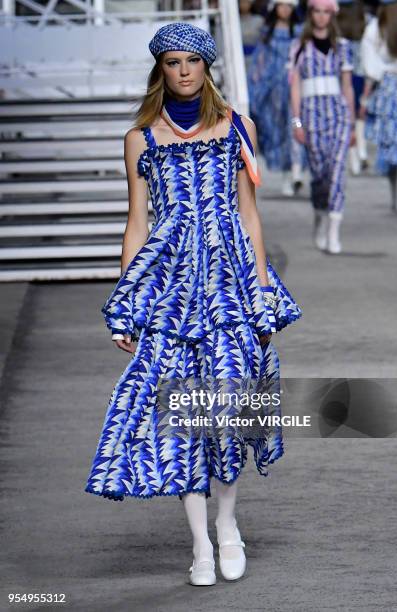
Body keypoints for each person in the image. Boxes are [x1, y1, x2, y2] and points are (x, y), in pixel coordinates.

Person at [84, 22, 303, 586]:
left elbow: (249, 214)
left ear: (208, 65)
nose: (182, 71)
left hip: (230, 283)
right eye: (171, 62)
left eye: (191, 61)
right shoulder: (141, 138)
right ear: (160, 68)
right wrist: (128, 300)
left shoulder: (238, 128)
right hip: (171, 291)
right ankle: (200, 545)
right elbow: (137, 223)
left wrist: (260, 291)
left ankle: (227, 526)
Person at [289, 0, 356, 254]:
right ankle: (319, 216)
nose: (321, 17)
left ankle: (333, 230)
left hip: (338, 114)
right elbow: (294, 86)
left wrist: (351, 125)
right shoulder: (299, 47)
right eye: (317, 11)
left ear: (332, 14)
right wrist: (296, 122)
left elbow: (348, 85)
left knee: (338, 171)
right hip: (311, 115)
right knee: (319, 175)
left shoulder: (343, 47)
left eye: (326, 12)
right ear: (310, 14)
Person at [248, 0, 306, 196]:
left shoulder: (299, 31)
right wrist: (257, 84)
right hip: (273, 90)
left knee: (295, 126)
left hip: (294, 86)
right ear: (275, 8)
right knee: (278, 131)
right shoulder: (267, 31)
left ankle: (296, 172)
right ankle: (287, 176)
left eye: (289, 6)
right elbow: (260, 60)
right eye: (281, 5)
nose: (285, 9)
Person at [360, 0, 397, 211]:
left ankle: (396, 194)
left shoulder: (375, 28)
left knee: (390, 146)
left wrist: (365, 96)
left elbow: (370, 67)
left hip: (387, 89)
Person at [337, 0, 368, 175]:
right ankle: (361, 153)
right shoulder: (365, 23)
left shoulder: (336, 28)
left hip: (344, 76)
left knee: (348, 115)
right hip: (361, 75)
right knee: (359, 116)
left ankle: (354, 158)